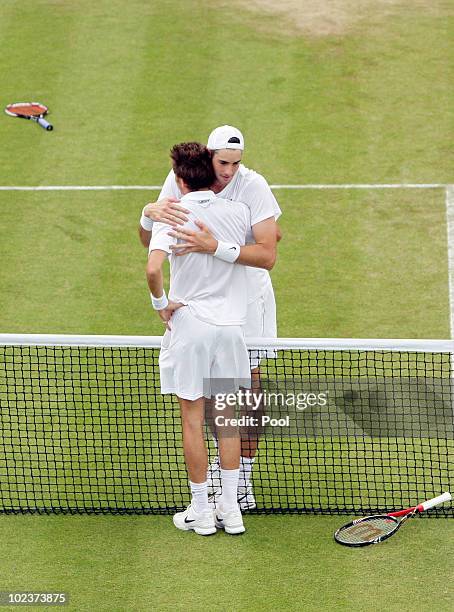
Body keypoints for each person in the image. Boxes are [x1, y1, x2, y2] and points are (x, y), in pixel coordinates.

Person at [140, 125, 281, 510]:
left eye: (237, 164)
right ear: (208, 156)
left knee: (244, 390)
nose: (230, 172)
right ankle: (216, 482)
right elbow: (152, 240)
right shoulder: (181, 179)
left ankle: (242, 482)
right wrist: (148, 215)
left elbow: (268, 255)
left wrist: (214, 246)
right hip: (199, 307)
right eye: (223, 163)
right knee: (206, 393)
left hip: (248, 300)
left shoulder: (253, 187)